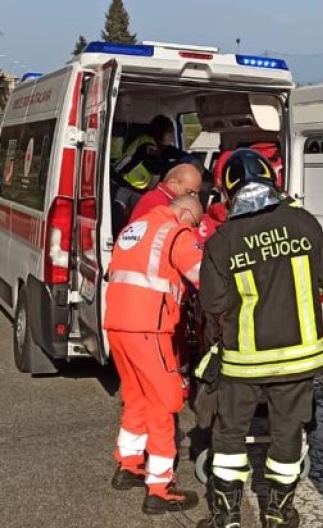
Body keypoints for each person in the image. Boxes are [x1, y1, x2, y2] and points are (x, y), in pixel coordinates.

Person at [195, 149, 323, 528]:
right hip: (299, 358)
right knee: (288, 435)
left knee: (229, 436)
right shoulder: (303, 222)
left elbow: (213, 302)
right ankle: (278, 512)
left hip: (243, 361)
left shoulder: (222, 239)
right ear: (272, 181)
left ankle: (225, 516)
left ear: (228, 193)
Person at [102, 195, 205, 515]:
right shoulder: (176, 233)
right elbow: (204, 276)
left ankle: (129, 464)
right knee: (165, 401)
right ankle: (160, 487)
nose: (193, 229)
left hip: (117, 324)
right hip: (150, 328)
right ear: (186, 213)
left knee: (136, 396)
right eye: (194, 223)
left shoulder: (135, 228)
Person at [128, 163, 204, 224]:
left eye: (196, 194)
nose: (194, 198)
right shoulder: (159, 204)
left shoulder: (156, 198)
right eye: (189, 192)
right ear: (172, 183)